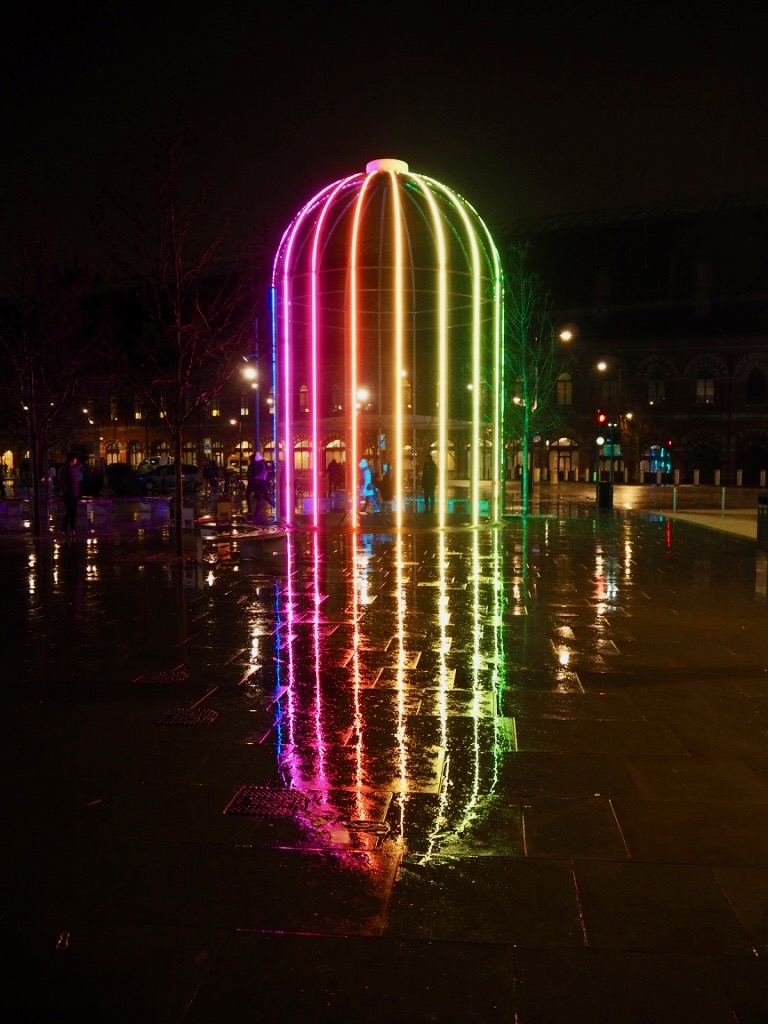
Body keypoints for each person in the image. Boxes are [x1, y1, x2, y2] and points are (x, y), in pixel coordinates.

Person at [59, 452, 81, 537]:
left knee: (73, 511)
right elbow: (62, 481)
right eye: (75, 458)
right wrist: (67, 490)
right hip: (68, 494)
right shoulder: (64, 468)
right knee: (70, 510)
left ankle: (72, 529)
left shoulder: (72, 468)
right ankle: (65, 528)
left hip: (74, 493)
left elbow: (75, 481)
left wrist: (78, 491)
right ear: (72, 459)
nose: (76, 460)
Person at [246, 451, 273, 521]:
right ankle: (256, 512)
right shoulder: (260, 464)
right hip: (258, 483)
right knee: (262, 497)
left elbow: (255, 474)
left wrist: (253, 479)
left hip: (258, 483)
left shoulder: (257, 465)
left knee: (260, 497)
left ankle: (256, 512)